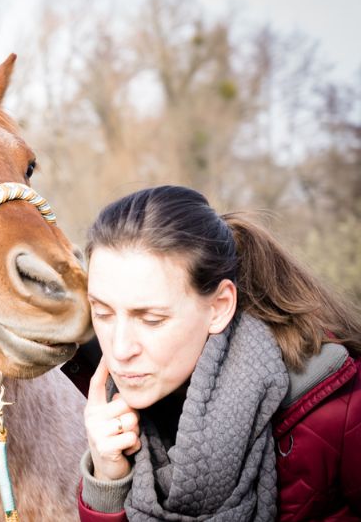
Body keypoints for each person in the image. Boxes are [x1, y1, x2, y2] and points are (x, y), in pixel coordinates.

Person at [70, 185, 361, 521]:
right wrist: (107, 479)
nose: (120, 349)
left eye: (151, 319)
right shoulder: (109, 414)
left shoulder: (341, 409)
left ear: (220, 307)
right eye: (102, 313)